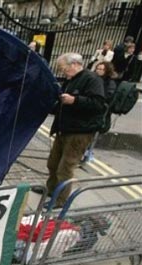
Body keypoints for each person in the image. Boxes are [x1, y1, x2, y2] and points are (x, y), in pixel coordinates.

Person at [45, 53, 105, 207]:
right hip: (64, 129)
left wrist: (75, 100)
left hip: (79, 132)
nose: (62, 71)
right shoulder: (71, 80)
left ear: (74, 64)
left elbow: (98, 105)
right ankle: (51, 190)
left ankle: (60, 201)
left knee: (65, 168)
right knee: (52, 163)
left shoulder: (92, 79)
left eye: (63, 68)